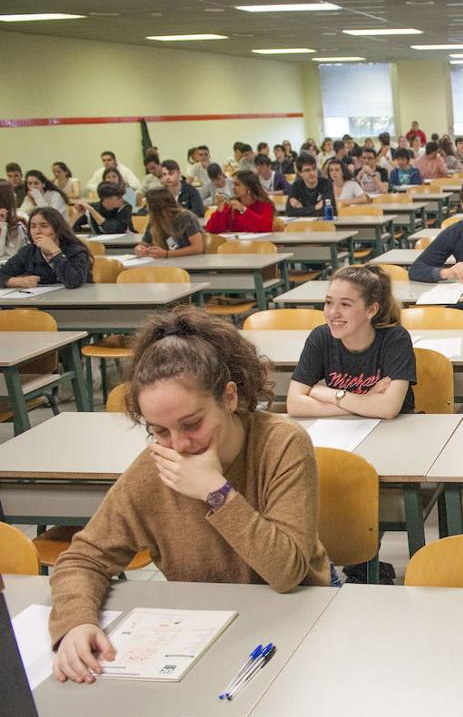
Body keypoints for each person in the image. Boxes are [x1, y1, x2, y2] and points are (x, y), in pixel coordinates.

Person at [49, 306, 332, 683]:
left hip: (297, 613)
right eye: (159, 431)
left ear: (229, 397)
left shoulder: (281, 444)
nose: (179, 445)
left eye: (192, 424)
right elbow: (84, 558)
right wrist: (75, 624)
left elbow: (287, 573)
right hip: (204, 629)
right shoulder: (155, 467)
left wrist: (217, 492)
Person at [287, 265, 415, 418]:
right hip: (344, 431)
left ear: (371, 310)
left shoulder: (395, 339)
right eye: (328, 302)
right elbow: (294, 404)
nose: (333, 313)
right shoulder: (321, 337)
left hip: (395, 431)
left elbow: (387, 408)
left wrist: (332, 395)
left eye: (345, 304)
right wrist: (366, 400)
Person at [0, 207, 92, 289]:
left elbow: (74, 282)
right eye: (33, 226)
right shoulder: (29, 252)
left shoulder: (76, 250)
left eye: (44, 226)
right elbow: (2, 273)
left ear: (57, 229)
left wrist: (55, 253)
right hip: (39, 303)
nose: (37, 231)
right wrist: (13, 281)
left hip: (75, 303)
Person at [137, 188, 205, 258]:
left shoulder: (186, 218)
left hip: (188, 261)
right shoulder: (155, 221)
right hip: (166, 262)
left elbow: (198, 248)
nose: (147, 209)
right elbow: (144, 244)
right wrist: (139, 249)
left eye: (148, 206)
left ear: (157, 207)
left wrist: (167, 254)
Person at [205, 171, 275, 234]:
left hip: (259, 245)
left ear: (249, 187)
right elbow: (212, 230)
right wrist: (219, 211)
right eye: (233, 184)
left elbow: (265, 228)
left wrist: (244, 210)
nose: (233, 188)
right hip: (235, 245)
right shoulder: (231, 204)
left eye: (237, 184)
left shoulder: (265, 204)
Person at [287, 153, 335, 217]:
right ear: (300, 173)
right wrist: (315, 208)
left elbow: (326, 210)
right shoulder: (295, 186)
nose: (312, 173)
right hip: (303, 224)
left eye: (314, 168)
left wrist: (302, 210)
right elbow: (290, 212)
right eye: (307, 170)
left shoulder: (326, 183)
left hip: (322, 224)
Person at [0, 182, 29, 262]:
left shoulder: (20, 220)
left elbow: (14, 253)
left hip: (14, 265)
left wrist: (2, 226)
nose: (15, 195)